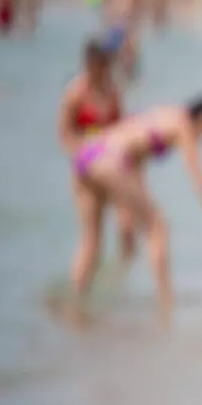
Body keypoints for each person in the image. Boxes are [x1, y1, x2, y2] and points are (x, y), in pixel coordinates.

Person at [65, 97, 202, 328]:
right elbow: (199, 180)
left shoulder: (163, 113)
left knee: (89, 241)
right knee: (158, 229)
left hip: (86, 156)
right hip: (111, 161)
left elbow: (134, 158)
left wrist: (128, 212)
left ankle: (75, 307)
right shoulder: (184, 126)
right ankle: (165, 307)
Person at [57, 38, 137, 267]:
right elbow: (64, 136)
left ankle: (123, 275)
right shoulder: (74, 94)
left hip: (114, 164)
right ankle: (80, 296)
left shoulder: (112, 92)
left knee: (127, 225)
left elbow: (120, 128)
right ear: (87, 64)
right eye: (97, 65)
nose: (101, 70)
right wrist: (86, 151)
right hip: (88, 167)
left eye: (105, 66)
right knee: (92, 238)